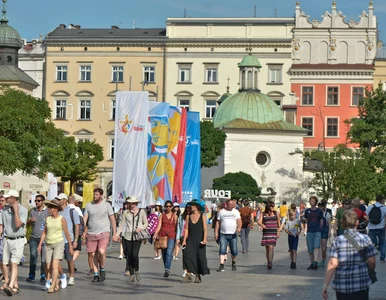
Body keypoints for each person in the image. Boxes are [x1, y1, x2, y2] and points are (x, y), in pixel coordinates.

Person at [322, 210, 376, 300]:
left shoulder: (337, 241)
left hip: (342, 285)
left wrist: (325, 284)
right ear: (357, 222)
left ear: (342, 224)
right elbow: (371, 261)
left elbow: (333, 263)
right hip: (361, 283)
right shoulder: (365, 239)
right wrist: (368, 271)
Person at [82, 188, 117, 283]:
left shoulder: (107, 205)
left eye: (97, 194)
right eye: (94, 194)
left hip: (104, 232)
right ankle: (96, 274)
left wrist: (115, 233)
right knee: (93, 254)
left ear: (101, 195)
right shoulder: (89, 205)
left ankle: (102, 268)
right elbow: (85, 218)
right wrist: (83, 231)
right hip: (91, 233)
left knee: (101, 251)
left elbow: (112, 219)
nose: (95, 196)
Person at [38, 200, 73, 294]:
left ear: (56, 209)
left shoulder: (62, 219)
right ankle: (56, 281)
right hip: (48, 244)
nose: (49, 209)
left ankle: (52, 285)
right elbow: (44, 232)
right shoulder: (47, 219)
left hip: (58, 243)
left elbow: (67, 233)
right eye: (48, 207)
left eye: (51, 207)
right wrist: (40, 244)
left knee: (55, 265)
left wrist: (70, 246)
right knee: (48, 266)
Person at [0, 190, 28, 296]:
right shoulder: (4, 211)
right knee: (5, 263)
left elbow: (17, 225)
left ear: (13, 198)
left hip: (18, 239)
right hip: (7, 239)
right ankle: (13, 284)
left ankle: (11, 286)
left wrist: (16, 211)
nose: (6, 200)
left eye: (8, 198)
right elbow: (1, 227)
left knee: (14, 262)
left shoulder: (23, 210)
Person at [115, 196, 148, 282]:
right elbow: (121, 225)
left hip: (137, 237)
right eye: (130, 203)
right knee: (129, 256)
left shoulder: (142, 212)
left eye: (133, 203)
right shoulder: (126, 212)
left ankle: (137, 270)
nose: (131, 204)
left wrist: (140, 228)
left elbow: (146, 224)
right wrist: (117, 234)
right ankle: (132, 274)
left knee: (134, 254)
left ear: (136, 203)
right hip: (127, 236)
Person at [182, 200, 209, 283]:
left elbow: (205, 228)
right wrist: (184, 240)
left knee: (200, 257)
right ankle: (189, 274)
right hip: (190, 239)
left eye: (194, 205)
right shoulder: (188, 216)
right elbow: (186, 229)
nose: (192, 207)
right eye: (191, 205)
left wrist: (204, 239)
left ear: (197, 207)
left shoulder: (202, 216)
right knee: (187, 256)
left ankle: (198, 275)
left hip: (200, 239)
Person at [57, 193, 79, 287]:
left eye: (60, 199)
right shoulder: (57, 211)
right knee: (56, 260)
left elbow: (77, 226)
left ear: (65, 200)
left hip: (68, 239)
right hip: (58, 239)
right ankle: (62, 275)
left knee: (69, 259)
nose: (58, 201)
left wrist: (76, 240)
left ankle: (72, 277)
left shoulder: (72, 211)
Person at [26, 194, 49, 283]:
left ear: (43, 201)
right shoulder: (32, 211)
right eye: (35, 201)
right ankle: (31, 275)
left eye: (38, 201)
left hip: (44, 238)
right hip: (34, 237)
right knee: (33, 256)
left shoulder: (47, 211)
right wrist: (30, 220)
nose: (36, 202)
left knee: (44, 258)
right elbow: (27, 224)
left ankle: (43, 274)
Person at [215, 199, 241, 272]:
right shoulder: (221, 212)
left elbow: (239, 221)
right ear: (227, 204)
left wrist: (239, 227)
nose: (233, 206)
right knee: (222, 249)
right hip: (223, 234)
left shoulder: (236, 211)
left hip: (233, 234)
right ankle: (221, 265)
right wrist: (216, 232)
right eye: (231, 204)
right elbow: (218, 222)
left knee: (234, 251)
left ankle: (233, 263)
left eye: (233, 204)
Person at [154, 200, 177, 277]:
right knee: (164, 253)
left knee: (169, 253)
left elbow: (177, 227)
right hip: (162, 236)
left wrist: (178, 238)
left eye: (170, 206)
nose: (168, 208)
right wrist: (155, 233)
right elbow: (159, 226)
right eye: (166, 206)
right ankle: (166, 268)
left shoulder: (175, 216)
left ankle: (167, 269)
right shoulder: (162, 216)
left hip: (171, 236)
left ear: (172, 207)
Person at [258, 200, 280, 269]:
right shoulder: (263, 213)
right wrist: (262, 225)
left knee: (271, 247)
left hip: (273, 232)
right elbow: (259, 221)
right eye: (272, 206)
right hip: (266, 232)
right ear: (268, 206)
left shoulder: (276, 213)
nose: (273, 207)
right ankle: (268, 261)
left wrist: (278, 232)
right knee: (267, 248)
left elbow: (279, 223)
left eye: (274, 206)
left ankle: (270, 262)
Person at [304, 196, 323, 270]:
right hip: (310, 231)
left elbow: (321, 220)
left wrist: (320, 227)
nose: (311, 202)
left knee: (316, 247)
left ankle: (315, 262)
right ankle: (312, 263)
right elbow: (306, 220)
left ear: (315, 202)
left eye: (312, 201)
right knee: (310, 248)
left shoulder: (319, 211)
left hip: (317, 230)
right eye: (310, 201)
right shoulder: (307, 211)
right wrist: (307, 227)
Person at [366, 195, 386, 262]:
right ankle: (382, 258)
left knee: (370, 243)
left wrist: (369, 221)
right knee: (382, 243)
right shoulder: (384, 208)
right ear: (381, 200)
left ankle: (369, 257)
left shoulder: (370, 207)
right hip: (381, 227)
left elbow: (366, 216)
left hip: (371, 227)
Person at [176, 204, 191, 278]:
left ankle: (190, 269)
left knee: (191, 255)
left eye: (190, 208)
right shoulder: (181, 217)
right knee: (185, 254)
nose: (188, 209)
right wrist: (178, 238)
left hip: (191, 238)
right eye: (187, 208)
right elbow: (178, 228)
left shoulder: (193, 217)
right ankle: (185, 270)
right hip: (183, 236)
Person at [318, 200, 332, 268]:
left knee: (324, 248)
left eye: (324, 206)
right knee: (318, 247)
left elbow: (329, 224)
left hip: (324, 231)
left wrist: (329, 231)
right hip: (317, 230)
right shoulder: (318, 213)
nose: (323, 207)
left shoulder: (327, 214)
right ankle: (320, 260)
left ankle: (323, 259)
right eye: (322, 206)